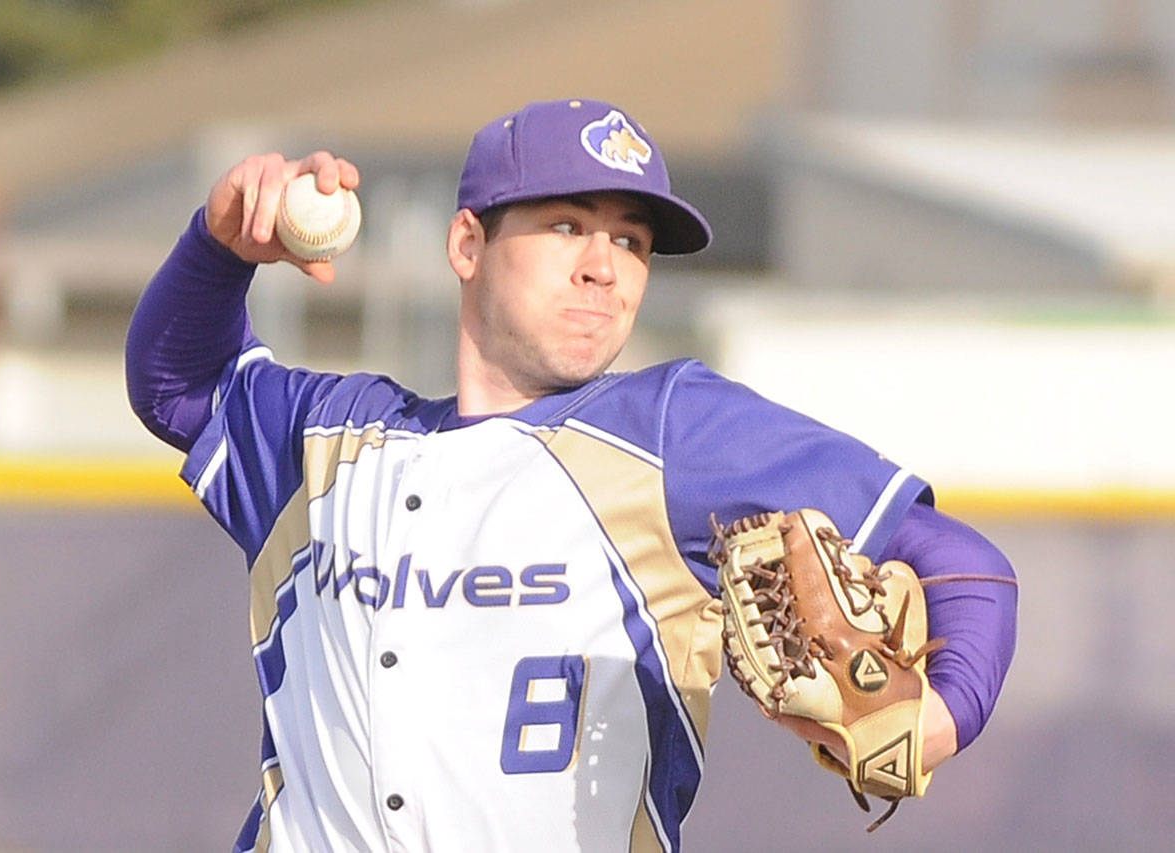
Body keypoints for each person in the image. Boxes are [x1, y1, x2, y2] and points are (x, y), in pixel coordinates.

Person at [126, 98, 1017, 852]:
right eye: (566, 226)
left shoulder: (676, 432)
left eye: (631, 241)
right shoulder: (326, 443)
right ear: (467, 244)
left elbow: (961, 562)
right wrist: (220, 244)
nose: (604, 266)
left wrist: (940, 719)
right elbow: (175, 385)